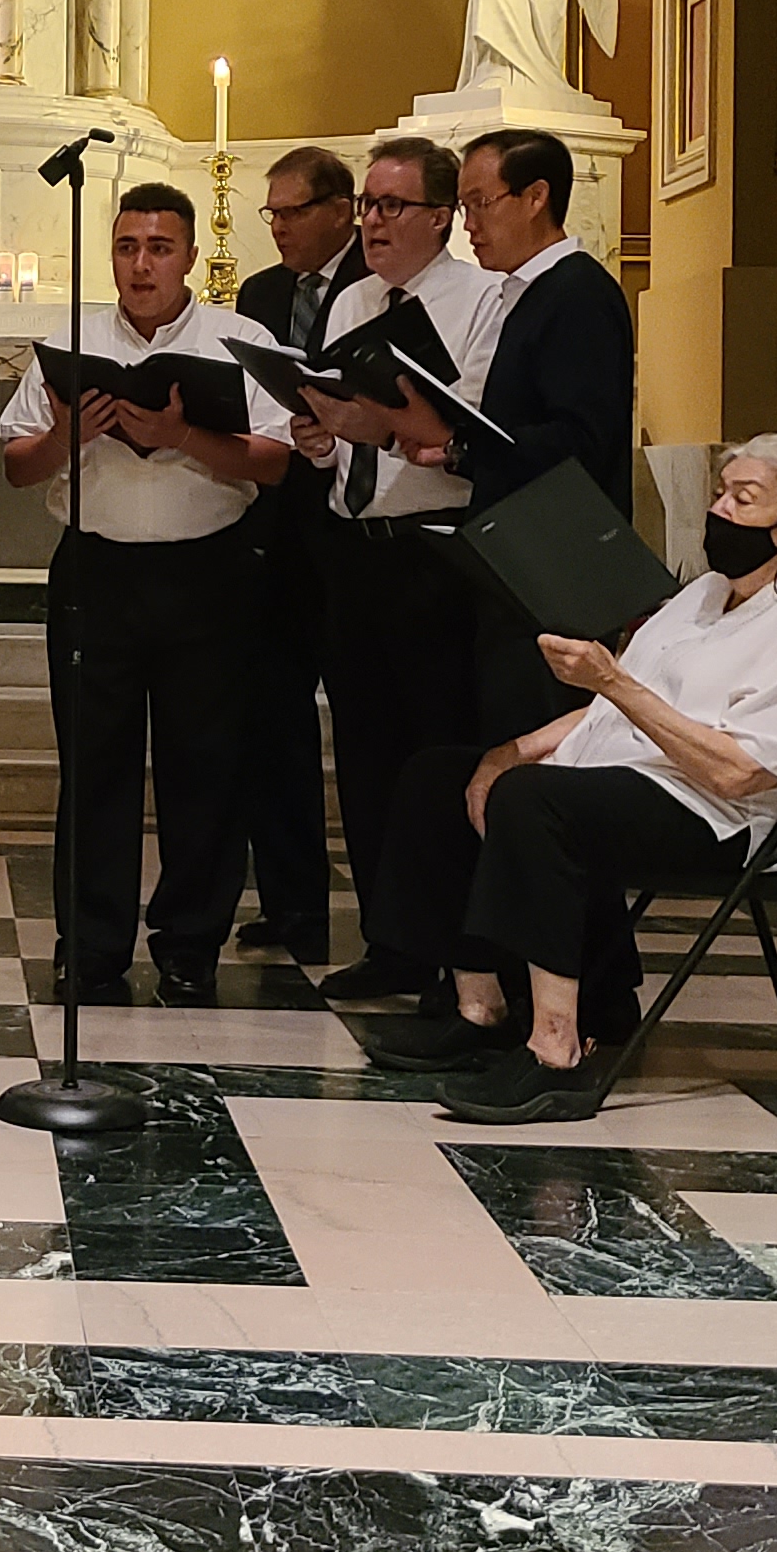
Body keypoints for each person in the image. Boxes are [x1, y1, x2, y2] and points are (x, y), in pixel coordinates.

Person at [356, 432, 777, 1125]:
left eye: (743, 499)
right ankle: (481, 1010)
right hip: (634, 773)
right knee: (439, 777)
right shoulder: (708, 593)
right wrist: (510, 751)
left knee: (537, 801)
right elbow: (612, 705)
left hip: (726, 818)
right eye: (720, 493)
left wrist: (611, 685)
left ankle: (556, 1051)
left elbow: (740, 772)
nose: (720, 510)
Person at [0, 181, 294, 1006]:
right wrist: (67, 435)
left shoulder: (241, 339)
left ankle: (190, 945)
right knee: (95, 765)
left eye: (159, 248)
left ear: (191, 256)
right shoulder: (73, 341)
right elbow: (16, 466)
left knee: (206, 766)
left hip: (210, 573)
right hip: (98, 573)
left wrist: (181, 435)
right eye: (127, 247)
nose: (141, 264)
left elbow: (275, 462)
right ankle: (90, 947)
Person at [276, 136, 502, 1000]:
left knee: (435, 753)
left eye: (392, 205)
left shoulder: (480, 300)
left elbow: (472, 426)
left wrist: (388, 425)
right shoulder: (351, 301)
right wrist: (319, 437)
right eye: (368, 205)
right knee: (365, 753)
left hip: (436, 550)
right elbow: (337, 423)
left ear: (442, 216)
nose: (372, 221)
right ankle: (391, 941)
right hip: (354, 547)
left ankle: (457, 951)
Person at [389, 126, 636, 747]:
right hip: (520, 565)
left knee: (536, 747)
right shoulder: (529, 293)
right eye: (463, 206)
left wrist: (458, 446)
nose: (468, 224)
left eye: (481, 203)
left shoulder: (577, 294)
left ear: (535, 197)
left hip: (557, 571)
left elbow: (580, 440)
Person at [231, 144, 366, 961]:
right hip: (277, 533)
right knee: (271, 723)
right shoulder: (261, 293)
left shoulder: (380, 284)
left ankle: (389, 922)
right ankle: (292, 905)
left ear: (341, 210)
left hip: (357, 534)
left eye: (293, 212)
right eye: (271, 213)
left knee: (362, 727)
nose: (278, 227)